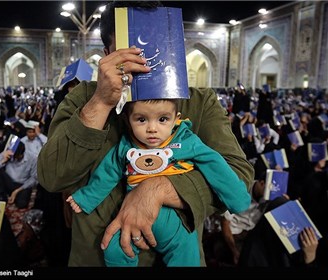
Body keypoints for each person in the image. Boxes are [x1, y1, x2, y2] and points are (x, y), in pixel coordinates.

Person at [37, 1, 254, 267]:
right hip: (97, 257)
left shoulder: (197, 103)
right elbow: (52, 176)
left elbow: (239, 179)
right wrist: (101, 102)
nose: (145, 61)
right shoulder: (83, 99)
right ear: (107, 54)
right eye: (130, 52)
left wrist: (158, 189)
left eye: (155, 47)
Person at [67, 98, 251, 266]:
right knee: (115, 248)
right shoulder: (126, 145)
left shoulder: (185, 140)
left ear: (176, 118)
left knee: (186, 253)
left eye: (163, 119)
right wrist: (86, 197)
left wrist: (237, 197)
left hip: (175, 220)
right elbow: (108, 172)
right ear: (128, 119)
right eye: (141, 120)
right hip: (134, 218)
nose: (152, 128)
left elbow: (214, 163)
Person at [0, 141, 38, 209]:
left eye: (15, 156)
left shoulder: (32, 158)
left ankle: (9, 194)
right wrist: (2, 161)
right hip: (7, 180)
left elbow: (34, 179)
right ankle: (2, 194)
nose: (13, 158)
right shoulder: (8, 153)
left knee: (22, 204)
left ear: (22, 154)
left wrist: (16, 191)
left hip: (21, 185)